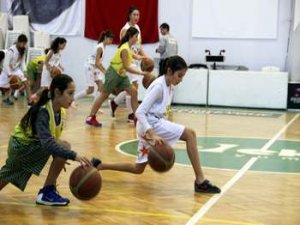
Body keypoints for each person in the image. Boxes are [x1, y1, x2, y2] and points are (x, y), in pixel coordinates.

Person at [92, 56, 221, 193]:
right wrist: (151, 132)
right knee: (190, 134)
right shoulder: (159, 86)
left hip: (149, 125)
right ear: (170, 71)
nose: (181, 79)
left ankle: (100, 165)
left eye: (183, 76)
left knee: (138, 168)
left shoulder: (168, 84)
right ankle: (200, 181)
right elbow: (140, 112)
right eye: (179, 75)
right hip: (150, 125)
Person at [0, 74, 92, 206]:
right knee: (64, 147)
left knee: (9, 174)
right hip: (21, 147)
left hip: (28, 145)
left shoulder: (59, 111)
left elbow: (51, 140)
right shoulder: (43, 111)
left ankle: (48, 192)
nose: (72, 98)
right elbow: (48, 143)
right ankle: (47, 193)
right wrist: (72, 155)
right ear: (57, 92)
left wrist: (60, 155)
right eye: (70, 93)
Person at [85, 27, 149, 127]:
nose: (137, 38)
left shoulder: (127, 46)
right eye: (136, 36)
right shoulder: (124, 48)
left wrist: (141, 57)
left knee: (134, 92)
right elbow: (127, 67)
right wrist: (141, 73)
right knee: (103, 95)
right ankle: (91, 117)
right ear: (131, 37)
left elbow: (132, 54)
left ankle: (137, 118)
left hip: (122, 75)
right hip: (114, 73)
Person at [110, 6, 146, 122]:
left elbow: (139, 45)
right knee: (133, 87)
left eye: (138, 15)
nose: (136, 17)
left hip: (135, 60)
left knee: (133, 88)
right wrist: (135, 56)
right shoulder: (125, 29)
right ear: (129, 15)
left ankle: (115, 102)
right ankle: (131, 114)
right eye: (134, 14)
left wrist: (145, 57)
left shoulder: (137, 28)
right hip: (127, 61)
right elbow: (125, 47)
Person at [73, 30, 114, 104]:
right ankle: (72, 99)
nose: (111, 41)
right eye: (110, 39)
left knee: (101, 87)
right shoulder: (100, 47)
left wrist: (106, 71)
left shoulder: (103, 47)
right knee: (90, 90)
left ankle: (95, 106)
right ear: (105, 37)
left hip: (95, 67)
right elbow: (97, 63)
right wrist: (105, 72)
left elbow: (99, 63)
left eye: (112, 40)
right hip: (90, 67)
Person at [0, 34, 32, 105]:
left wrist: (25, 71)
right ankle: (7, 99)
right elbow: (5, 64)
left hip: (16, 69)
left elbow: (23, 62)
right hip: (7, 70)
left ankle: (30, 101)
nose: (23, 45)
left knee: (26, 82)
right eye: (22, 43)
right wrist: (9, 74)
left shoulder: (23, 50)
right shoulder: (11, 50)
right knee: (5, 86)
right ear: (18, 41)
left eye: (24, 43)